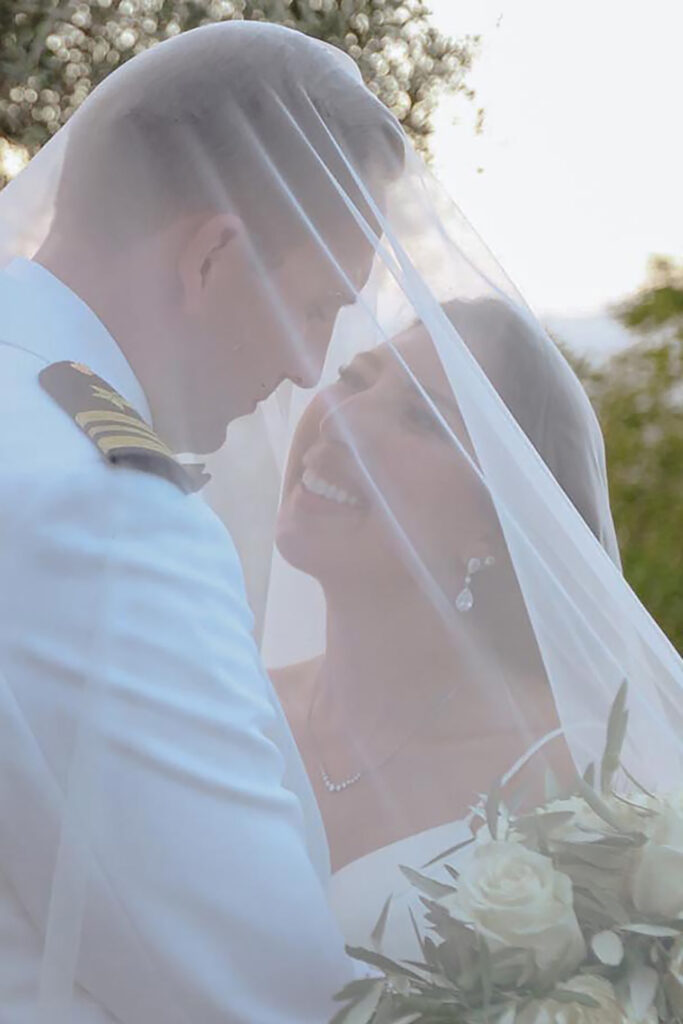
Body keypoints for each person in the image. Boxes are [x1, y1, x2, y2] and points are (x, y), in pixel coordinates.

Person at [0, 21, 404, 1024]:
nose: (310, 369)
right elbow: (262, 992)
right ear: (214, 255)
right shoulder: (96, 511)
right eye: (317, 308)